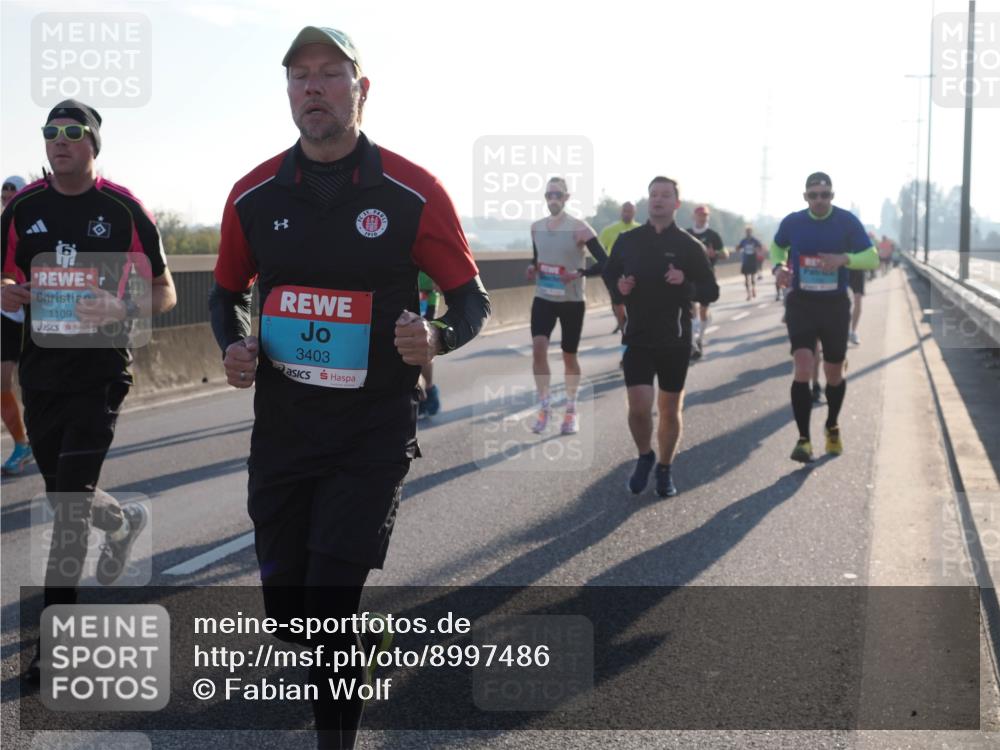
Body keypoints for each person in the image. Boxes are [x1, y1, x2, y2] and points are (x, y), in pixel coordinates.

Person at [209, 27, 489, 750]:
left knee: (329, 608)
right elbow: (223, 295)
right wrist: (233, 345)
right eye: (299, 76)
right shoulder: (252, 194)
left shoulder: (412, 192)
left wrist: (437, 339)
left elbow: (470, 300)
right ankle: (358, 646)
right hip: (283, 434)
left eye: (329, 73)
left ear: (360, 90)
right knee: (291, 618)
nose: (312, 88)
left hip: (369, 435)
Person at [1, 100, 176, 679]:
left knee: (70, 505)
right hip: (42, 374)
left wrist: (122, 305)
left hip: (101, 374)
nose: (59, 141)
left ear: (93, 144)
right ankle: (124, 523)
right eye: (51, 132)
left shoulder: (123, 209)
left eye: (73, 133)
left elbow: (165, 292)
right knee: (63, 494)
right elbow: (2, 276)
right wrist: (7, 290)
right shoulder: (23, 209)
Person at [603, 176, 719, 497]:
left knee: (669, 410)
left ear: (676, 204)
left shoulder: (689, 246)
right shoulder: (629, 241)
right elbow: (610, 273)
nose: (658, 200)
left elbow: (712, 290)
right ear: (647, 201)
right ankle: (645, 455)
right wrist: (619, 289)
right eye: (653, 194)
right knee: (639, 408)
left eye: (665, 195)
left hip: (675, 339)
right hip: (637, 336)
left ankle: (665, 468)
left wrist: (686, 283)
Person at [770, 172, 878, 462]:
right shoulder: (793, 222)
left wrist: (845, 259)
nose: (819, 200)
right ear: (805, 196)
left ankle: (832, 425)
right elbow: (777, 245)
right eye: (814, 195)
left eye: (825, 194)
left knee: (833, 372)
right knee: (803, 364)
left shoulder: (846, 221)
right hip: (801, 303)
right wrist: (778, 266)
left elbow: (872, 257)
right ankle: (803, 439)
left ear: (832, 196)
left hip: (834, 307)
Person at [526, 177, 608, 435]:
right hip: (544, 296)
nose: (553, 199)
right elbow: (538, 258)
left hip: (572, 301)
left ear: (567, 197)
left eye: (558, 195)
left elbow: (605, 262)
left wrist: (580, 273)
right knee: (538, 349)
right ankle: (544, 407)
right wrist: (533, 267)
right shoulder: (536, 228)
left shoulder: (580, 228)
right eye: (549, 194)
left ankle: (571, 410)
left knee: (568, 356)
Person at [1, 175, 31, 475]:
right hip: (5, 314)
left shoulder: (32, 224)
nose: (8, 194)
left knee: (34, 384)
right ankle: (22, 443)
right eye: (4, 190)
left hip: (33, 314)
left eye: (15, 190)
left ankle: (37, 441)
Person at [686, 204, 724, 359]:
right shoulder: (687, 233)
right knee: (690, 310)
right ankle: (692, 343)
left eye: (705, 215)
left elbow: (725, 253)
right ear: (694, 216)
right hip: (689, 277)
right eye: (700, 215)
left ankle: (699, 338)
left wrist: (714, 253)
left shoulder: (713, 235)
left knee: (703, 311)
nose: (702, 218)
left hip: (707, 277)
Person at [598, 201, 641, 333]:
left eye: (630, 211)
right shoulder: (609, 230)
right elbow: (597, 250)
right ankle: (623, 325)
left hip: (635, 271)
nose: (627, 213)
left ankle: (632, 324)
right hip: (614, 271)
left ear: (635, 212)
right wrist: (605, 265)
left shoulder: (641, 229)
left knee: (635, 300)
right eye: (625, 210)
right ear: (621, 212)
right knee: (616, 301)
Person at [416, 270, 441, 417]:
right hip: (403, 295)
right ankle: (419, 393)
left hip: (426, 298)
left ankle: (430, 390)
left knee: (423, 345)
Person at [735, 225, 763, 301]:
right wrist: (737, 247)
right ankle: (748, 294)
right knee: (746, 278)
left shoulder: (755, 240)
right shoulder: (743, 241)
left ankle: (753, 289)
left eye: (749, 232)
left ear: (751, 232)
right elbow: (738, 248)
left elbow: (761, 247)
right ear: (746, 232)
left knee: (753, 277)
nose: (748, 233)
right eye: (747, 232)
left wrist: (757, 250)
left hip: (753, 260)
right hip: (746, 261)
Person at [848, 266, 864, 346]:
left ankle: (852, 332)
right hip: (842, 268)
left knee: (858, 303)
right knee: (843, 304)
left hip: (858, 271)